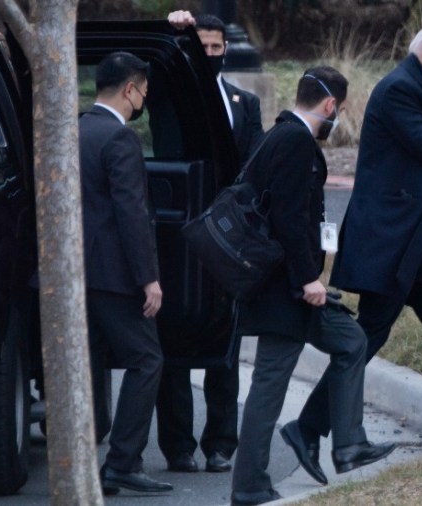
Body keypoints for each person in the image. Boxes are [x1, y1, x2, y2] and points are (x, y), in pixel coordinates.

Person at [294, 19, 422, 453]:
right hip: (391, 240)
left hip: (412, 238)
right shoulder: (399, 89)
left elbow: (420, 158)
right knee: (372, 333)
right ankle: (308, 426)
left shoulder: (421, 88)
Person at [230, 66, 395, 506]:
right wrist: (307, 279)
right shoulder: (294, 141)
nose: (335, 118)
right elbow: (286, 218)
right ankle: (248, 486)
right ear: (329, 105)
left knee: (351, 342)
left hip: (291, 287)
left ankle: (348, 443)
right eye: (337, 111)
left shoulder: (280, 137)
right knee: (269, 385)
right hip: (284, 291)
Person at [156, 10, 264, 474]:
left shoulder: (244, 103)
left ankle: (221, 443)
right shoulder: (165, 97)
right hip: (175, 236)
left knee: (227, 341)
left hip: (225, 242)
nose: (211, 55)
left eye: (218, 48)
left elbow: (255, 167)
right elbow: (146, 81)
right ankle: (177, 447)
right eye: (204, 48)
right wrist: (170, 31)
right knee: (172, 340)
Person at [79, 51, 172, 495]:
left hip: (74, 275)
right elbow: (131, 213)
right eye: (144, 92)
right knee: (147, 360)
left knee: (88, 366)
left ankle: (86, 462)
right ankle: (122, 462)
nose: (143, 101)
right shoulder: (120, 139)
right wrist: (148, 278)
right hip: (113, 276)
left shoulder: (73, 129)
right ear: (131, 89)